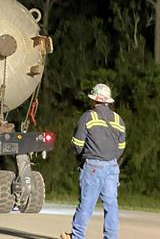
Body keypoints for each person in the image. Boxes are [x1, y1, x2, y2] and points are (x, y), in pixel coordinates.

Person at [61, 84, 126, 239]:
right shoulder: (119, 119)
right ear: (107, 101)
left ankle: (76, 236)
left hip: (93, 167)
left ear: (94, 100)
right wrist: (110, 159)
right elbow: (121, 147)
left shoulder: (88, 116)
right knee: (111, 206)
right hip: (112, 167)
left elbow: (77, 144)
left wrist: (81, 157)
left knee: (86, 204)